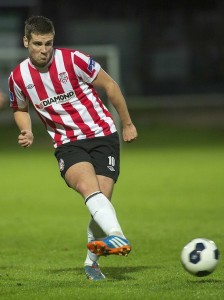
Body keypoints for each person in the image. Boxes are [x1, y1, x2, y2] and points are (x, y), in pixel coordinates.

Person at [8, 16, 138, 281]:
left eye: (48, 43)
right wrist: (27, 130)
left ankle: (92, 263)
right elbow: (20, 108)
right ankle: (118, 236)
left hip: (103, 134)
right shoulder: (18, 77)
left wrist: (127, 123)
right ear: (25, 42)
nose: (44, 50)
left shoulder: (74, 60)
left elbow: (110, 86)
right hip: (67, 143)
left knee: (101, 201)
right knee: (88, 187)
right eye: (37, 44)